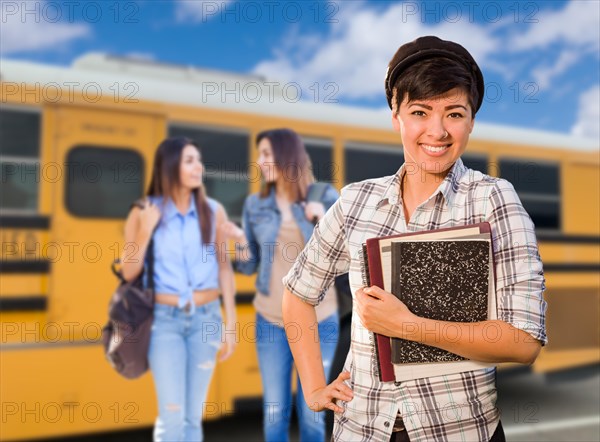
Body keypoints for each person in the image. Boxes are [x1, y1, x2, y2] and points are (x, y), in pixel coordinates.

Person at [281, 36, 547, 442]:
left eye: (454, 113)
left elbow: (523, 341)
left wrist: (407, 326)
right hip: (361, 429)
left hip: (459, 432)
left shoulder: (492, 199)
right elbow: (298, 293)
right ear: (397, 117)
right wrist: (315, 387)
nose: (437, 131)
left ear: (471, 120)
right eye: (420, 112)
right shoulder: (357, 201)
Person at [221, 128, 340, 442]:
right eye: (259, 154)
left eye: (266, 154)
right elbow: (250, 265)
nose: (259, 161)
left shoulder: (325, 196)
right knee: (274, 414)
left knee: (312, 414)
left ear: (288, 157)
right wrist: (239, 244)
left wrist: (321, 219)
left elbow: (347, 251)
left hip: (319, 319)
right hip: (271, 321)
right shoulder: (255, 205)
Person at [120, 136, 237, 441]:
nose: (198, 166)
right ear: (169, 166)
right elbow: (128, 271)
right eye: (189, 160)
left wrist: (231, 323)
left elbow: (224, 267)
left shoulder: (214, 212)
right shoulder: (144, 211)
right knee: (172, 416)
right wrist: (145, 230)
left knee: (192, 417)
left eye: (199, 159)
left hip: (207, 319)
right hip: (165, 322)